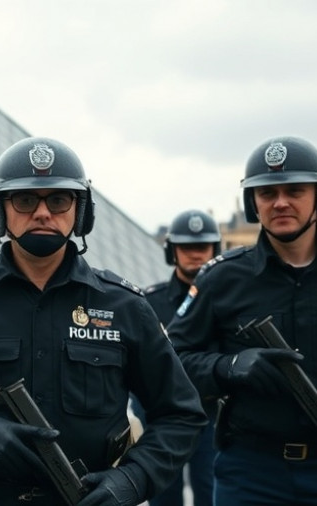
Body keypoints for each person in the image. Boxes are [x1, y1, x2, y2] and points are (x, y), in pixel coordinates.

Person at [0, 137, 206, 506]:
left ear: (80, 211)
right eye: (25, 200)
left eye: (58, 200)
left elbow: (181, 415)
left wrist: (134, 478)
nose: (42, 213)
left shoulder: (125, 307)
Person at [167, 136, 317, 505]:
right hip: (252, 474)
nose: (280, 202)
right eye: (267, 193)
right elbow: (172, 361)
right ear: (253, 203)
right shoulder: (221, 279)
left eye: (295, 190)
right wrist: (229, 366)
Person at [136, 210, 220, 506]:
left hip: (211, 416)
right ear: (173, 251)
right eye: (187, 247)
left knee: (211, 493)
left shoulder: (226, 300)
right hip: (160, 418)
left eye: (202, 247)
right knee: (162, 495)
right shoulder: (148, 301)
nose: (196, 255)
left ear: (214, 250)